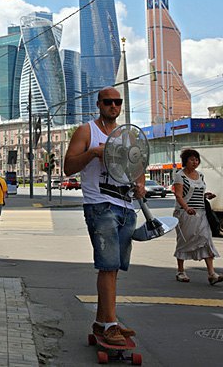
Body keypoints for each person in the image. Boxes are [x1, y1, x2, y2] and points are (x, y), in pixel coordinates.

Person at [64, 87, 145, 346]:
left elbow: (137, 166)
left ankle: (102, 322)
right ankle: (112, 324)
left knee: (114, 270)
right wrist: (92, 153)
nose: (113, 106)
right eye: (108, 102)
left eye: (117, 102)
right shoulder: (87, 131)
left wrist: (141, 184)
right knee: (107, 266)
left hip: (126, 206)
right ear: (98, 104)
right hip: (100, 205)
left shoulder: (127, 135)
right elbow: (68, 167)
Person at [172, 148, 223, 285]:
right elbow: (178, 195)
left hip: (201, 213)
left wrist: (206, 196)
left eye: (197, 160)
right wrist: (186, 208)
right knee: (184, 241)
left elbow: (199, 193)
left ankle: (212, 273)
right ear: (185, 161)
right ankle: (181, 271)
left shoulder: (200, 175)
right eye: (192, 159)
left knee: (206, 239)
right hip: (185, 214)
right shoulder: (180, 176)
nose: (195, 162)